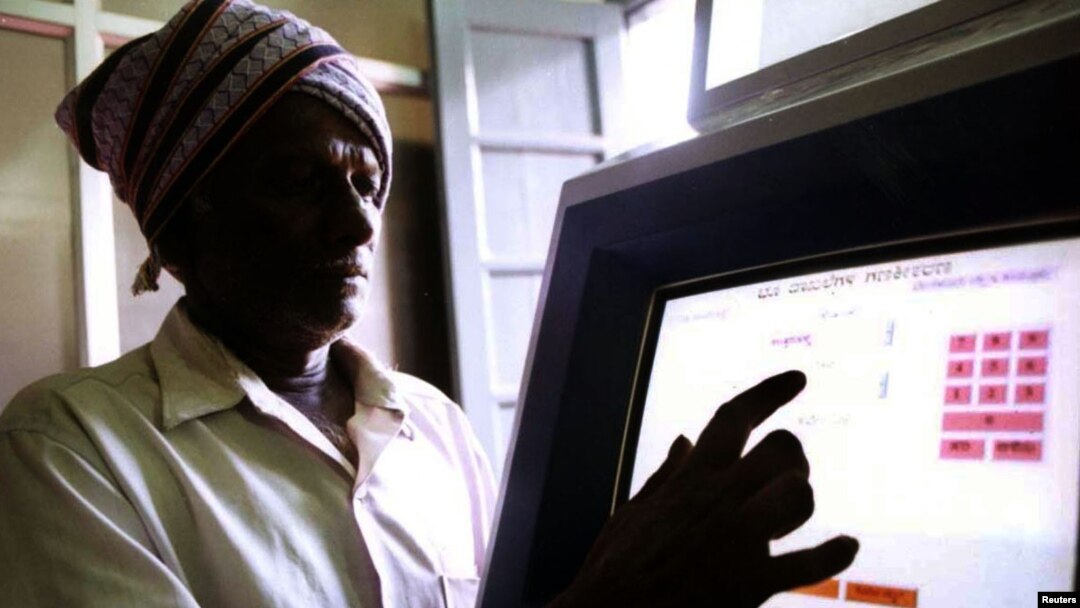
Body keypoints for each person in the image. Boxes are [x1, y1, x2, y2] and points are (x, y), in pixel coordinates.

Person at [0, 1, 858, 606]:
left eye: (367, 180)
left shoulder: (435, 430)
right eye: (298, 181)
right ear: (180, 239)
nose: (355, 219)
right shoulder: (72, 453)